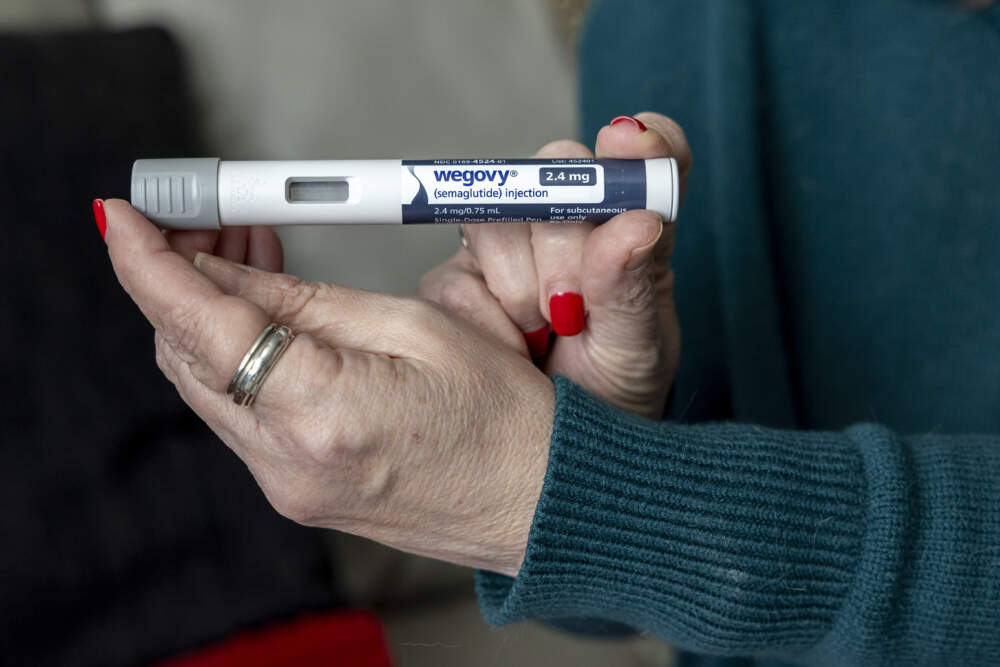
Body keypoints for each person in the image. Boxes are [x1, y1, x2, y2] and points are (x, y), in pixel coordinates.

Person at [96, 0, 1000, 665]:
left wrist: (558, 493)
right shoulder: (649, 24)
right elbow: (648, 598)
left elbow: (666, 522)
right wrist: (594, 427)